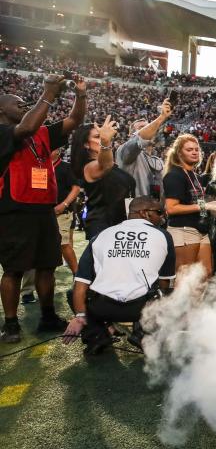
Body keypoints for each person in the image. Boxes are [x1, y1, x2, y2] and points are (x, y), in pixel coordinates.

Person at [0, 75, 88, 343]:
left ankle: (48, 315)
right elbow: (24, 129)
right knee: (14, 269)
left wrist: (81, 95)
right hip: (15, 210)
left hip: (43, 209)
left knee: (47, 265)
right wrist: (47, 94)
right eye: (17, 103)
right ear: (1, 109)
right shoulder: (4, 131)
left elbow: (75, 121)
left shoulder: (41, 132)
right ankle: (11, 323)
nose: (24, 105)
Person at [63, 197, 175, 354]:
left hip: (101, 307)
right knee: (172, 293)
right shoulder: (163, 235)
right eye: (159, 212)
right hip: (142, 309)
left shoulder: (102, 235)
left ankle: (96, 336)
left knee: (72, 293)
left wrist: (80, 317)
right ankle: (144, 333)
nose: (162, 217)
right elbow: (165, 280)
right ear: (144, 213)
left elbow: (81, 283)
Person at [70, 116, 136, 240]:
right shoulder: (89, 167)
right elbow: (106, 165)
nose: (100, 139)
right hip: (103, 227)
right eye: (97, 137)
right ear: (85, 144)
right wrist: (105, 141)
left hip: (121, 225)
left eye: (101, 136)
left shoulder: (110, 164)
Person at [162, 133, 215, 277]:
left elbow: (195, 202)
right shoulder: (175, 175)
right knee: (185, 276)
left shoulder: (194, 175)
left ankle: (196, 301)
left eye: (196, 149)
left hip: (200, 229)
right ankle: (180, 301)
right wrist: (205, 206)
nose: (194, 152)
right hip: (183, 229)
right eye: (189, 149)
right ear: (179, 153)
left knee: (205, 273)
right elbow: (171, 208)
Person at [115, 99, 172, 199]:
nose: (149, 129)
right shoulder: (124, 150)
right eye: (141, 128)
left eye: (148, 126)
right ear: (131, 135)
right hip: (134, 212)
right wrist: (162, 117)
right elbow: (140, 138)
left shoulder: (158, 161)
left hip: (156, 211)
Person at [52, 148, 81, 275]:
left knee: (64, 243)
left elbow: (76, 188)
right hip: (42, 211)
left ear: (58, 151)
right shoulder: (40, 166)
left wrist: (64, 204)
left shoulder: (65, 167)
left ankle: (78, 273)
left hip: (61, 212)